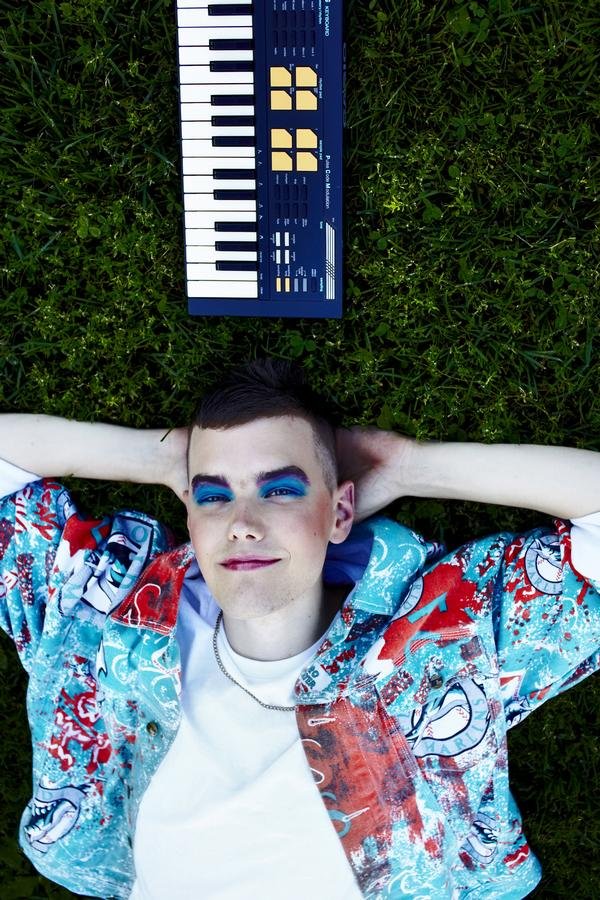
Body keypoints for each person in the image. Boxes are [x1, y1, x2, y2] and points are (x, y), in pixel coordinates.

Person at [0, 358, 599, 900]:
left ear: (340, 512)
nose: (242, 523)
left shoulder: (438, 635)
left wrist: (409, 467)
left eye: (280, 490)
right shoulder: (109, 614)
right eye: (214, 497)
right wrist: (158, 458)